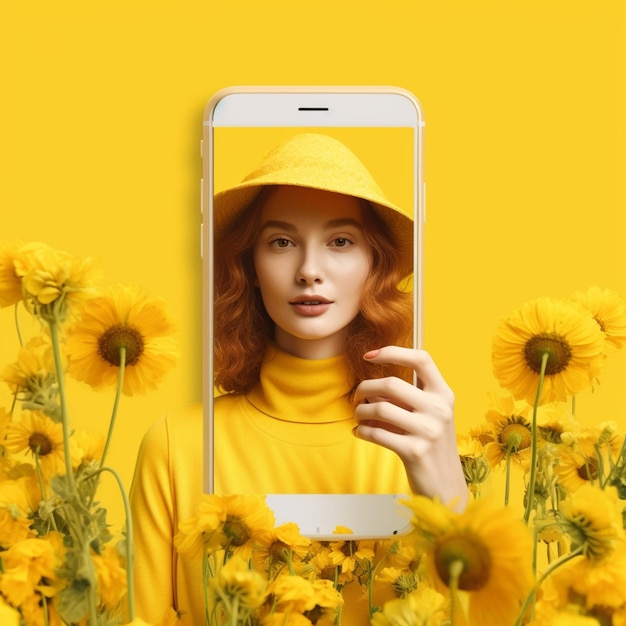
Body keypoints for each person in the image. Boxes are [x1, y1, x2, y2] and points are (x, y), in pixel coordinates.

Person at [129, 133, 468, 625]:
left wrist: (450, 500)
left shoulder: (422, 440)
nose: (310, 270)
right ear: (249, 265)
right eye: (282, 242)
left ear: (375, 264)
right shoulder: (176, 445)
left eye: (340, 241)